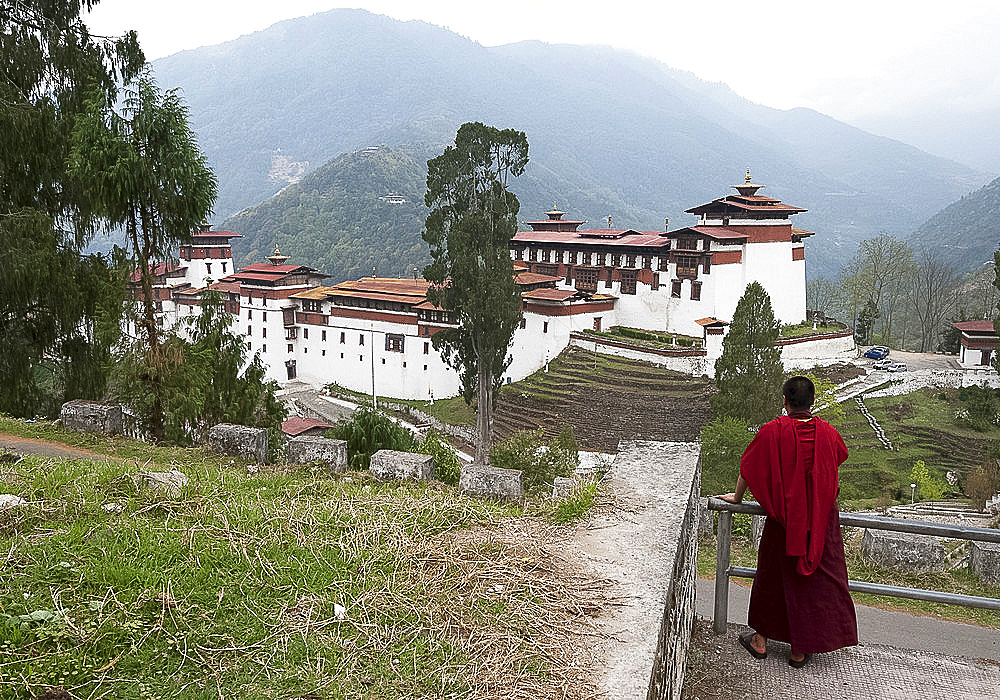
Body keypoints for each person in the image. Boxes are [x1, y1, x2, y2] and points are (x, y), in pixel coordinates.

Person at [718, 375, 857, 668]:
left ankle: (760, 641)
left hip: (784, 521)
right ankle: (798, 649)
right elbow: (838, 459)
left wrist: (739, 498)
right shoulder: (829, 434)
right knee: (813, 582)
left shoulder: (772, 431)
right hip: (820, 522)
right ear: (813, 402)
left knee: (772, 579)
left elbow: (748, 466)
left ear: (785, 401)